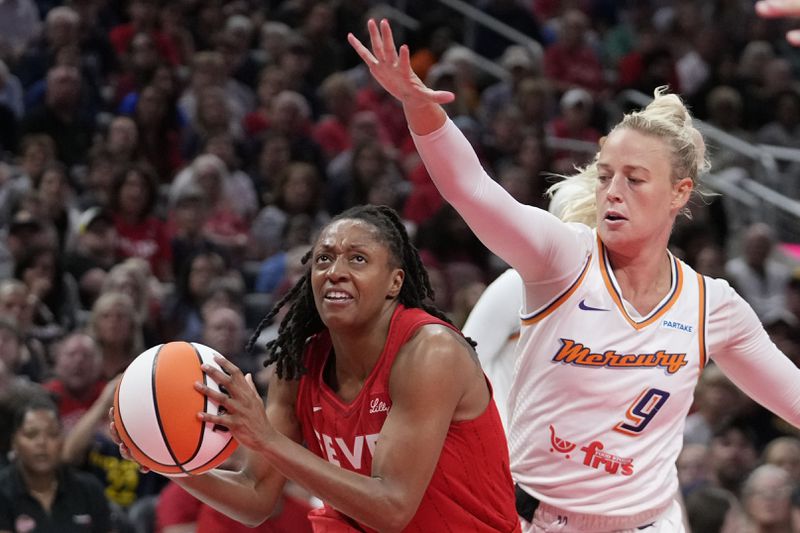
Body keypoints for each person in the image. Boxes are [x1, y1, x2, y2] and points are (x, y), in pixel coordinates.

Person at [348, 19, 800, 532]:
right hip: (534, 519)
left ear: (679, 193)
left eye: (635, 180)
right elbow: (473, 188)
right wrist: (419, 105)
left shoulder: (711, 305)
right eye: (606, 175)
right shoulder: (562, 260)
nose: (612, 191)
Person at [112, 204, 521, 532]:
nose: (334, 272)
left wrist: (267, 439)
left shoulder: (431, 352)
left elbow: (392, 509)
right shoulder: (299, 363)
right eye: (323, 259)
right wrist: (165, 459)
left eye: (357, 259)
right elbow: (254, 498)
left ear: (395, 282)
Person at [0, 396, 111, 533]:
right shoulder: (3, 491)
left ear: (62, 440)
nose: (42, 442)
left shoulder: (89, 490)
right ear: (14, 442)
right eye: (31, 434)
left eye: (52, 434)